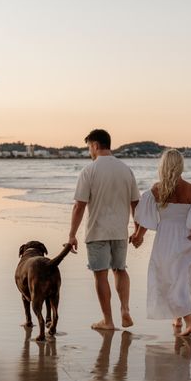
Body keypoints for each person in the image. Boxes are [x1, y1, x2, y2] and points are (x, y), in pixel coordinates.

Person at [130, 149, 191, 337]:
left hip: (166, 238)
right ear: (180, 166)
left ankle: (189, 322)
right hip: (189, 238)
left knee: (168, 277)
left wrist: (139, 235)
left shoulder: (156, 189)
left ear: (163, 166)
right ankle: (177, 317)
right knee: (182, 279)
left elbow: (146, 217)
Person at [68, 129, 140, 330]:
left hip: (97, 231)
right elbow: (136, 204)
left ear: (95, 145)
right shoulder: (126, 169)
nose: (89, 152)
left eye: (89, 147)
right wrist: (137, 229)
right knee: (120, 269)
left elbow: (79, 206)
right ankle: (125, 309)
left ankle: (108, 320)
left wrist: (72, 234)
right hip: (120, 231)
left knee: (101, 275)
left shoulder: (89, 171)